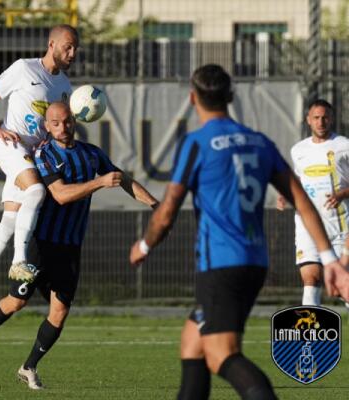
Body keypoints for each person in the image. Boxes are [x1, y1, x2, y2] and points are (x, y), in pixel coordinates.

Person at [129, 64, 349, 400]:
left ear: (193, 98)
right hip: (255, 262)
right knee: (192, 344)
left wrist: (145, 245)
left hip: (221, 263)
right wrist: (330, 258)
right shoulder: (260, 142)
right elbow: (303, 202)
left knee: (222, 354)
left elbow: (168, 208)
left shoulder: (197, 143)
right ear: (230, 96)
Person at [0, 102, 159, 389]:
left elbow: (123, 180)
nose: (63, 127)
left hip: (70, 246)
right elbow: (60, 194)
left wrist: (156, 205)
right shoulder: (43, 155)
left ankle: (28, 367)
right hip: (41, 243)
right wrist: (99, 182)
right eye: (55, 123)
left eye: (67, 121)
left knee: (59, 312)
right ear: (46, 126)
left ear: (76, 121)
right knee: (17, 301)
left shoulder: (91, 154)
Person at [0, 24, 80, 315]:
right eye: (68, 47)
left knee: (10, 221)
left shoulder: (65, 86)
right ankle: (19, 262)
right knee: (36, 191)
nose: (73, 53)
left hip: (32, 156)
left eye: (76, 48)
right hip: (11, 146)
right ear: (52, 45)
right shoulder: (25, 68)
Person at [276, 99, 349, 306]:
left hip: (339, 226)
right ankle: (311, 327)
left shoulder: (344, 146)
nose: (321, 122)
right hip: (307, 225)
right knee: (310, 278)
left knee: (342, 286)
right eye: (316, 118)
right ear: (308, 120)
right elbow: (299, 180)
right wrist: (286, 193)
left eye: (325, 117)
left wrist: (342, 194)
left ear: (332, 118)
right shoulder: (298, 150)